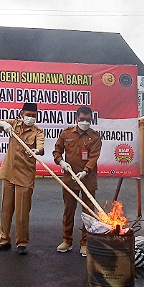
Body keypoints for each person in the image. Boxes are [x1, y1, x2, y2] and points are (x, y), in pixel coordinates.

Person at [0, 103, 45, 255]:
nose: (30, 118)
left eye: (34, 115)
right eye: (28, 115)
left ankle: (21, 243)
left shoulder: (38, 132)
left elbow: (41, 147)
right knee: (6, 210)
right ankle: (4, 240)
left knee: (22, 213)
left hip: (25, 176)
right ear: (22, 113)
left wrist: (36, 151)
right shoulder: (14, 124)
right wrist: (2, 124)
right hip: (9, 172)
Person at [52, 106, 102, 257]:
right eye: (82, 119)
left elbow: (94, 157)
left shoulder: (95, 137)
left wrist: (85, 171)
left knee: (88, 212)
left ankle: (85, 243)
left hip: (88, 178)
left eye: (88, 119)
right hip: (70, 177)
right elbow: (57, 151)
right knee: (69, 210)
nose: (85, 122)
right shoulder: (66, 133)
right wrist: (61, 162)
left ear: (91, 119)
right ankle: (67, 240)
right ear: (76, 118)